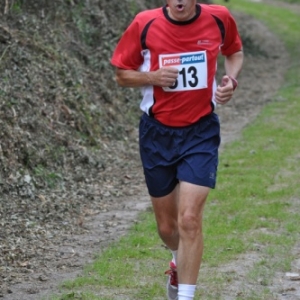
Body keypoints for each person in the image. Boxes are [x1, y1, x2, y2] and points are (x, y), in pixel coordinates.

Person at [110, 1, 243, 299]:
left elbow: (234, 51)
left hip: (200, 131)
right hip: (157, 134)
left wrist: (230, 80)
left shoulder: (218, 17)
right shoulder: (145, 24)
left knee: (189, 219)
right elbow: (121, 74)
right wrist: (152, 77)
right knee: (168, 228)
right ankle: (176, 258)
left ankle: (185, 295)